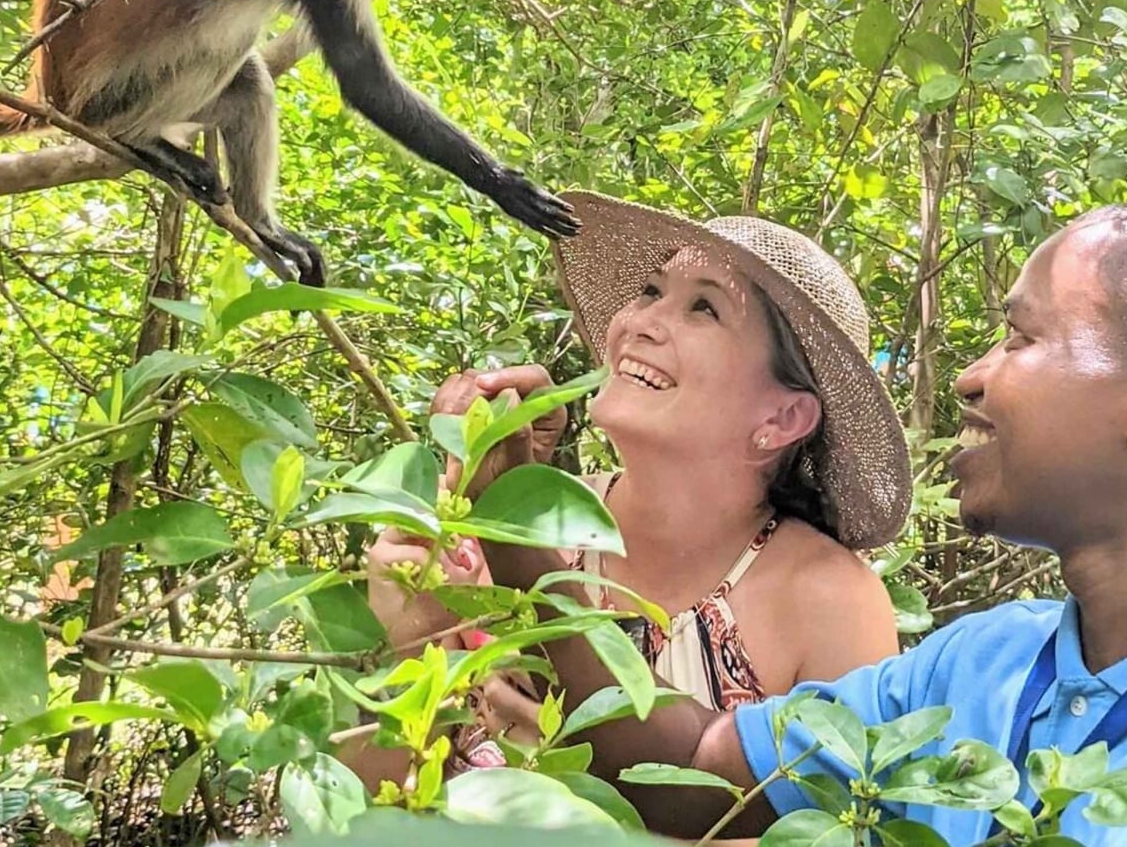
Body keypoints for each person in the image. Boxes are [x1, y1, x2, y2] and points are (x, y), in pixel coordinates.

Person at [474, 200, 1127, 845]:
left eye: (1023, 336)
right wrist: (520, 546)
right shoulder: (972, 669)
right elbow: (695, 770)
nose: (977, 374)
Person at [348, 190, 912, 786]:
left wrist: (573, 774)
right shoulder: (514, 524)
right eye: (651, 291)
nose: (641, 323)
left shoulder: (827, 600)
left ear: (781, 420)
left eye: (704, 309)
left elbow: (850, 821)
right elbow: (365, 806)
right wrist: (411, 637)